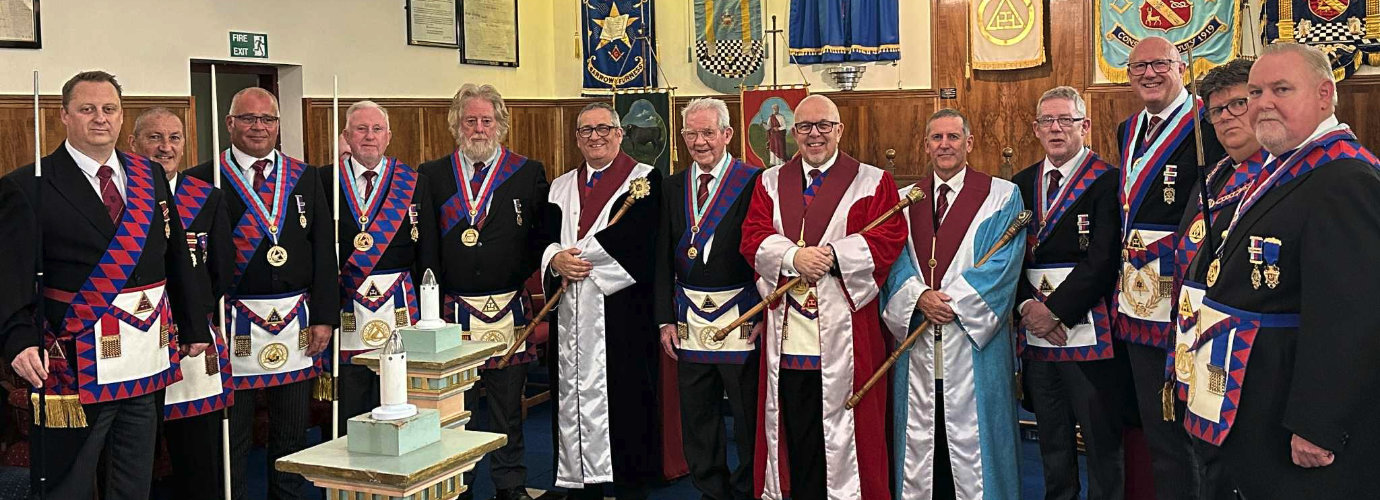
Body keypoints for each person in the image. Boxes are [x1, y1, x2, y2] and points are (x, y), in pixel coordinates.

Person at [0, 70, 212, 499]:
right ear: (64, 116)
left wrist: (192, 326)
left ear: (121, 117)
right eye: (87, 109)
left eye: (109, 109)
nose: (100, 118)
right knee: (69, 481)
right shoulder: (28, 185)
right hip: (72, 357)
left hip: (144, 352)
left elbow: (175, 256)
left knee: (134, 477)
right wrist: (18, 340)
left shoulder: (148, 176)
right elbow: (9, 274)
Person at [1182, 42, 1380, 499]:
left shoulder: (1344, 179)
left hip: (1296, 416)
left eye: (1281, 89)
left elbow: (1352, 319)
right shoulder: (1282, 168)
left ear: (1325, 95)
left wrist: (1318, 423)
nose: (1262, 103)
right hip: (1255, 400)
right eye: (1255, 92)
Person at [739, 94, 906, 500]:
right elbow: (753, 236)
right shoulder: (769, 181)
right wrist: (794, 256)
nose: (814, 135)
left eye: (823, 126)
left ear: (839, 130)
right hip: (788, 334)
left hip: (846, 332)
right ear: (793, 133)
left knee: (847, 426)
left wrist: (833, 256)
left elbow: (887, 240)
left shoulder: (872, 180)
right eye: (805, 127)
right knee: (794, 426)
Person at [186, 87, 339, 500]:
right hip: (232, 322)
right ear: (230, 123)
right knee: (232, 436)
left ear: (278, 125)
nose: (259, 127)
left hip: (297, 324)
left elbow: (324, 250)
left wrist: (325, 315)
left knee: (290, 433)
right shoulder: (203, 179)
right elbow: (193, 262)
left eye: (268, 119)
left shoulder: (304, 176)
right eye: (249, 119)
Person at [879, 108, 1024, 500]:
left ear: (969, 143)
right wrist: (918, 297)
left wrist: (952, 303)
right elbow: (893, 260)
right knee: (922, 444)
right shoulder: (906, 200)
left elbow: (1003, 266)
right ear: (925, 145)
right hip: (919, 342)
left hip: (973, 344)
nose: (945, 145)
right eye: (937, 138)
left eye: (953, 137)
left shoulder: (1001, 195)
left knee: (976, 443)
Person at [418, 84, 547, 500]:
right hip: (452, 310)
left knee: (509, 405)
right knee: (458, 409)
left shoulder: (527, 172)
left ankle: (510, 484)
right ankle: (462, 484)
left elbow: (538, 242)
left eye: (486, 120)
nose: (478, 128)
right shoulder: (432, 174)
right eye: (470, 120)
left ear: (501, 125)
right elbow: (427, 245)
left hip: (507, 306)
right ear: (456, 125)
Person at [1113, 36, 1225, 500]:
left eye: (1160, 64)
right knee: (1158, 431)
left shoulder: (1207, 122)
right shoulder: (1126, 129)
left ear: (1181, 67)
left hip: (1187, 295)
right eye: (1138, 66)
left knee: (1195, 426)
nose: (1149, 73)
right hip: (1139, 300)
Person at [542, 102, 664, 499]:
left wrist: (575, 260)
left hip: (622, 315)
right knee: (570, 395)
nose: (594, 137)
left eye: (603, 129)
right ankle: (580, 482)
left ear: (620, 133)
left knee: (626, 400)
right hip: (568, 311)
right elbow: (540, 239)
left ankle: (628, 484)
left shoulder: (644, 180)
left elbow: (639, 244)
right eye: (585, 131)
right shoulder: (559, 186)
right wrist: (553, 259)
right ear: (576, 137)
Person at [1012, 88, 1126, 500]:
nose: (1056, 128)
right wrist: (1028, 307)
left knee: (1100, 441)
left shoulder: (1108, 179)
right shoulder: (1020, 184)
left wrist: (1055, 313)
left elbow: (1103, 259)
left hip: (1089, 329)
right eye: (1047, 121)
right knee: (1052, 440)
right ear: (1036, 129)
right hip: (1036, 334)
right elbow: (1006, 261)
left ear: (1085, 126)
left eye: (1066, 120)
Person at [1164, 58, 1264, 500]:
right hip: (1196, 343)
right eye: (1216, 110)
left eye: (1237, 104)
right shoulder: (1214, 176)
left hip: (1249, 360)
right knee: (1204, 469)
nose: (1225, 118)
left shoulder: (1281, 176)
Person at [653, 97, 763, 500]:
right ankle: (711, 490)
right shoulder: (671, 186)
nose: (699, 142)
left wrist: (764, 311)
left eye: (707, 133)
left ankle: (747, 488)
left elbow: (761, 252)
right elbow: (662, 256)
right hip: (688, 320)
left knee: (747, 415)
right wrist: (664, 318)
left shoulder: (754, 181)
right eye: (691, 133)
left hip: (741, 316)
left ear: (727, 135)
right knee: (698, 415)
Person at [129, 107, 236, 499]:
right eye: (154, 137)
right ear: (134, 143)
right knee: (132, 456)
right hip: (133, 340)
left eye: (174, 138)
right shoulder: (119, 195)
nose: (165, 147)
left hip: (191, 341)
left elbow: (222, 269)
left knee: (198, 456)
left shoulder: (207, 198)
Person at [325, 101, 438, 434]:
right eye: (361, 129)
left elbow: (427, 252)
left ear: (388, 136)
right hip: (347, 307)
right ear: (346, 136)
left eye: (376, 129)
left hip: (400, 306)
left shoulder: (414, 182)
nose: (369, 137)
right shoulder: (323, 180)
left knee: (398, 396)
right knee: (352, 401)